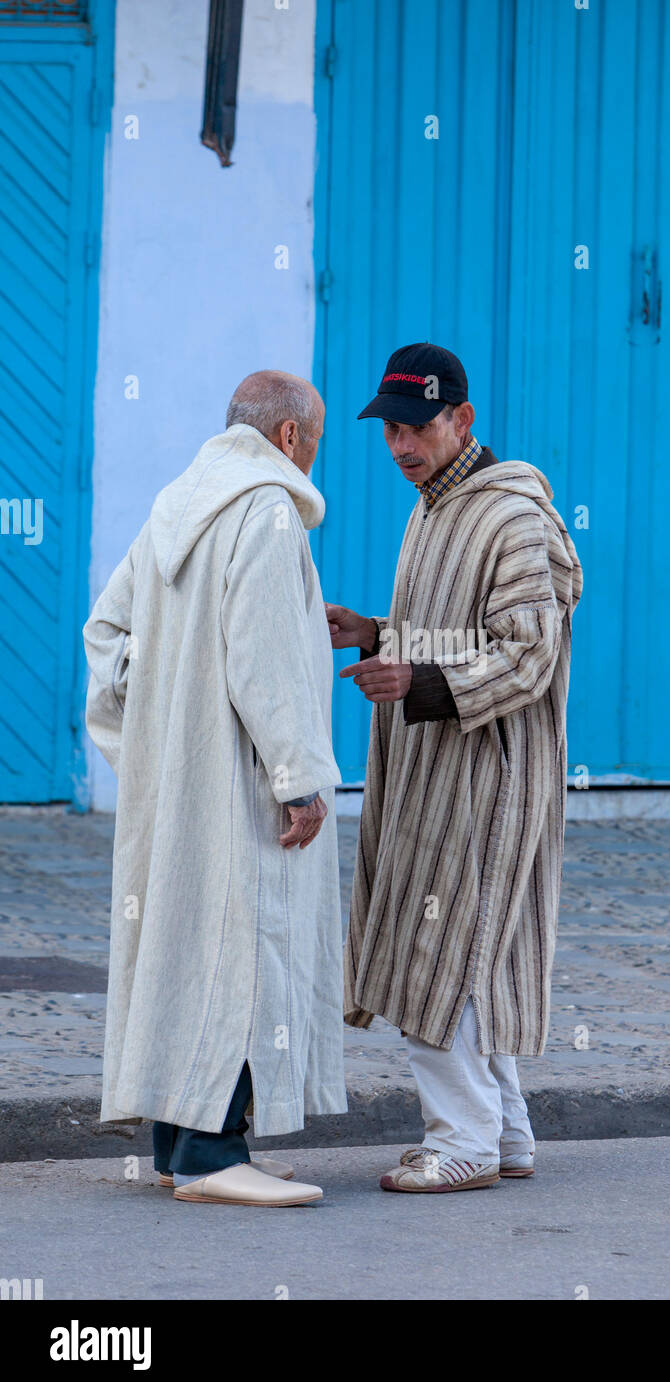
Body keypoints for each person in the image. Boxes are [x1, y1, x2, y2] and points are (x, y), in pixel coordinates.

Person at [83, 371, 346, 1207]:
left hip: (181, 783)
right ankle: (210, 1155)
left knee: (183, 950)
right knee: (242, 952)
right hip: (241, 781)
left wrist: (157, 739)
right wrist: (299, 779)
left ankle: (178, 1146)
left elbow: (106, 632)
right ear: (292, 437)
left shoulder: (176, 504)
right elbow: (266, 663)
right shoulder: (266, 511)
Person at [327, 342, 583, 1193]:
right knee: (467, 949)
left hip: (488, 775)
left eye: (418, 427)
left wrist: (420, 680)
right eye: (391, 430)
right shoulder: (435, 506)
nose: (401, 446)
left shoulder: (507, 516)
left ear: (462, 419)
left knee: (445, 945)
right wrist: (373, 632)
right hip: (434, 767)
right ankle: (503, 1133)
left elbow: (526, 655)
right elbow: (445, 628)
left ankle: (462, 1138)